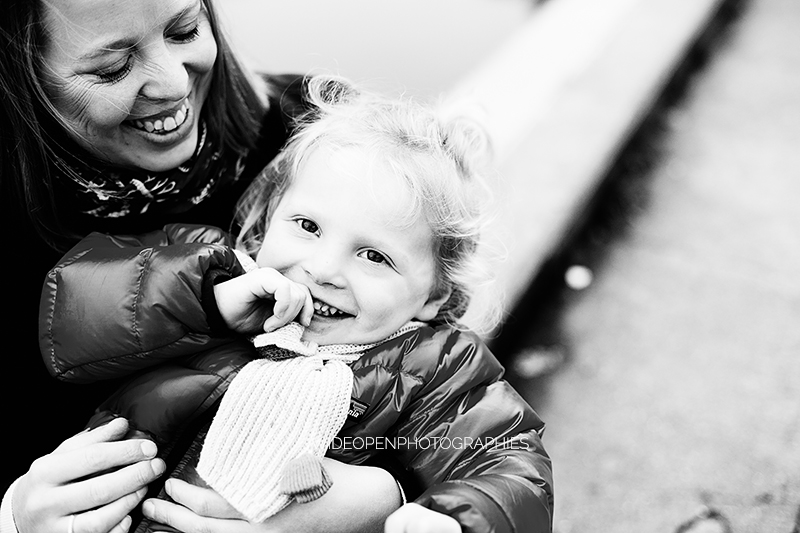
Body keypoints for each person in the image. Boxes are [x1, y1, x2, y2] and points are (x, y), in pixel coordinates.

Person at [35, 77, 555, 533]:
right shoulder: (217, 271)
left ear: (434, 295)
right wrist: (203, 300)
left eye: (374, 256)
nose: (323, 269)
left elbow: (506, 460)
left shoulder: (433, 365)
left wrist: (457, 517)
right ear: (268, 221)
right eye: (307, 227)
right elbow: (76, 308)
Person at [0, 0, 401, 530]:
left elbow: (445, 388)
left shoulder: (320, 135)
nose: (171, 84)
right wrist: (16, 514)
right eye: (112, 68)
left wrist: (382, 497)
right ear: (22, 80)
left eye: (185, 30)